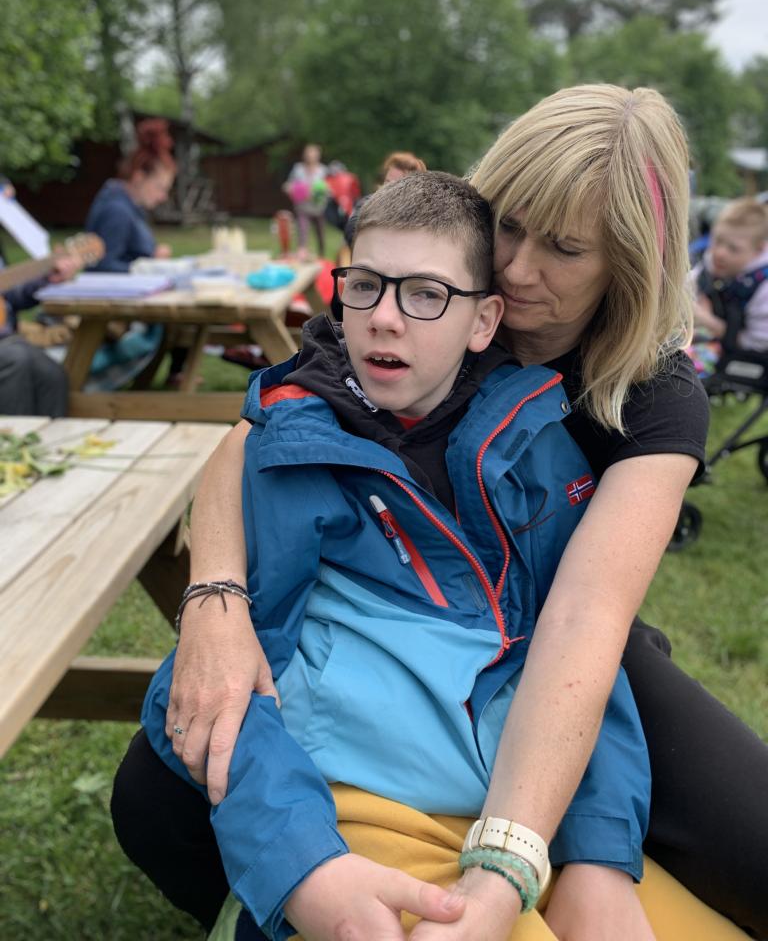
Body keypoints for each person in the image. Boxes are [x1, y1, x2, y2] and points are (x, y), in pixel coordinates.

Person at [111, 85, 768, 939]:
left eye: (565, 249)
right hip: (401, 628)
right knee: (156, 791)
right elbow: (254, 438)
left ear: (628, 264)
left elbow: (583, 622)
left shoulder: (655, 394)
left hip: (568, 627)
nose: (518, 268)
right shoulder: (418, 301)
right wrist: (215, 601)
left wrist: (561, 865)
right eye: (511, 226)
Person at [687, 198, 768, 374]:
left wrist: (710, 323)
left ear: (759, 250)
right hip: (702, 338)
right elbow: (686, 286)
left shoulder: (763, 286)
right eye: (717, 241)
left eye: (733, 248)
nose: (720, 253)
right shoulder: (711, 264)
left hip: (742, 358)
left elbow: (758, 343)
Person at [85, 118, 175, 274]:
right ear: (139, 177)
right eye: (160, 188)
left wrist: (153, 255)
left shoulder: (130, 206)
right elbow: (103, 267)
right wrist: (148, 267)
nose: (163, 197)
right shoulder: (117, 211)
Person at [0, 247, 82, 416]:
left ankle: (53, 432)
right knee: (16, 361)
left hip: (8, 341)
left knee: (52, 375)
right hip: (10, 349)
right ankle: (16, 432)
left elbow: (11, 295)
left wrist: (47, 279)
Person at [283, 144, 329, 258]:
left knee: (321, 234)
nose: (310, 156)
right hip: (302, 206)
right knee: (302, 231)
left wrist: (323, 191)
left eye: (313, 154)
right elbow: (290, 184)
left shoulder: (323, 170)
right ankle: (302, 255)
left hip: (319, 207)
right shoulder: (298, 168)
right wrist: (289, 188)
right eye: (308, 153)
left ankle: (322, 257)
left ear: (318, 156)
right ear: (304, 155)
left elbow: (328, 187)